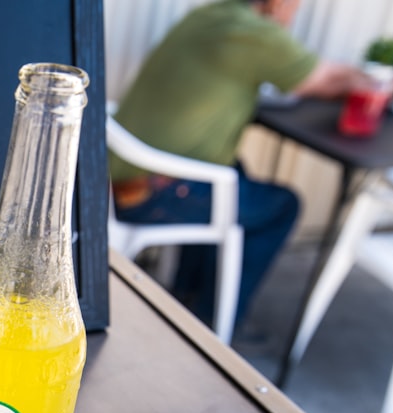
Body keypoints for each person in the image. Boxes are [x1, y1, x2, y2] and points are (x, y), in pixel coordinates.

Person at [109, 0, 375, 333]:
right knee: (282, 206)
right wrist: (378, 81)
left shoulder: (210, 15)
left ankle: (185, 296)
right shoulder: (254, 33)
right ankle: (213, 323)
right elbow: (319, 80)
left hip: (121, 176)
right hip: (151, 193)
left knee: (235, 174)